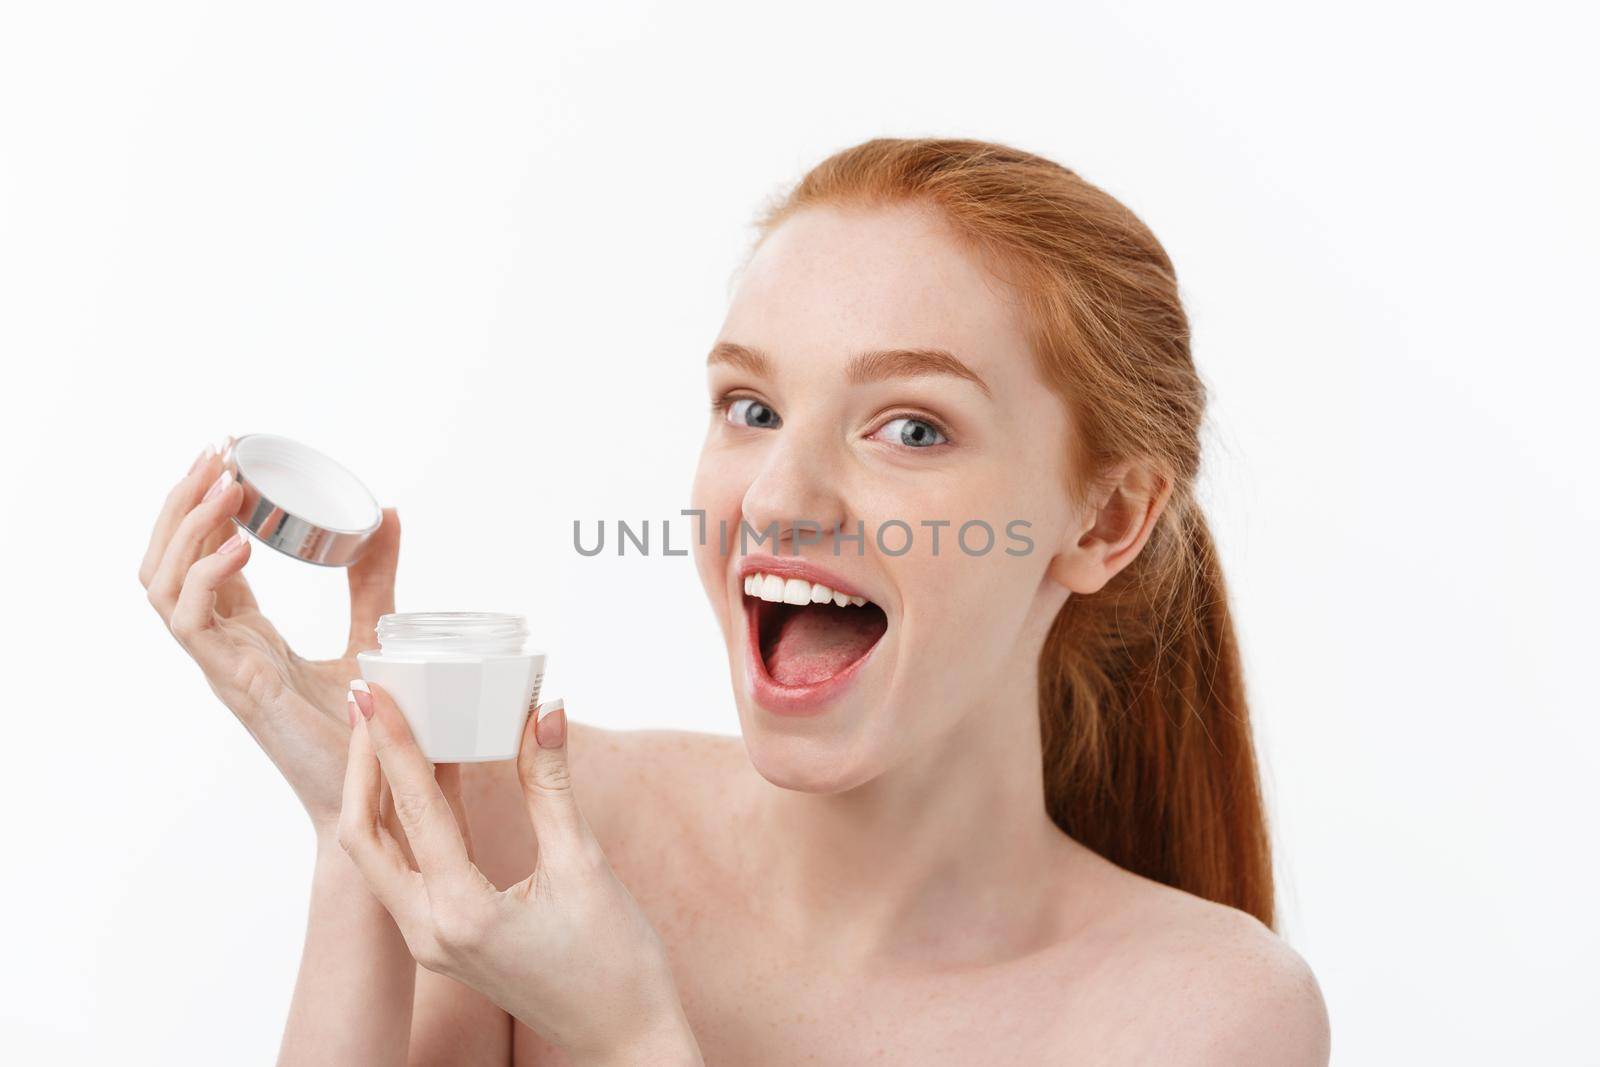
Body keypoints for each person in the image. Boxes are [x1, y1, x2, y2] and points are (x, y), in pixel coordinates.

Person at [141, 138, 1330, 1064]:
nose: (776, 498)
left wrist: (628, 1036)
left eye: (909, 426)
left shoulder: (1206, 1011)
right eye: (749, 408)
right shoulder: (543, 831)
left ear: (1105, 519)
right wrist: (363, 831)